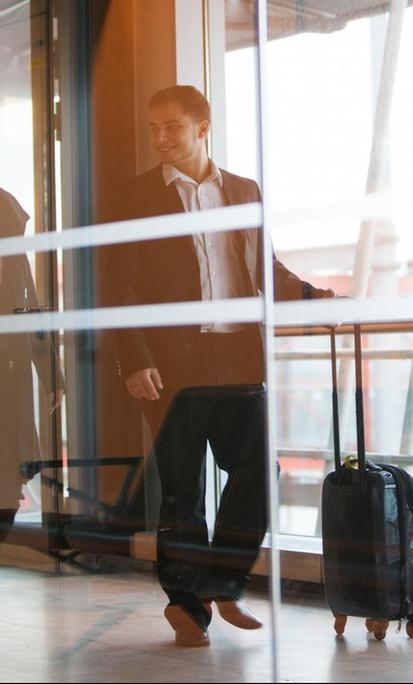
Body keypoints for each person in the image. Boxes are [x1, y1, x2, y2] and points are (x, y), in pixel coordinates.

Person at [105, 85, 334, 647]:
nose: (159, 138)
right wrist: (134, 359)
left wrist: (317, 301)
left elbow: (266, 270)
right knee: (182, 491)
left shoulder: (244, 191)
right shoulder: (133, 198)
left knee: (259, 470)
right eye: (153, 128)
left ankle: (224, 579)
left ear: (202, 128)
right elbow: (120, 287)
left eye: (171, 127)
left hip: (236, 358)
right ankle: (187, 607)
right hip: (169, 367)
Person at [0, 188, 64, 543]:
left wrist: (53, 377)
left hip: (10, 383)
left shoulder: (14, 261)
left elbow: (32, 316)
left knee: (8, 482)